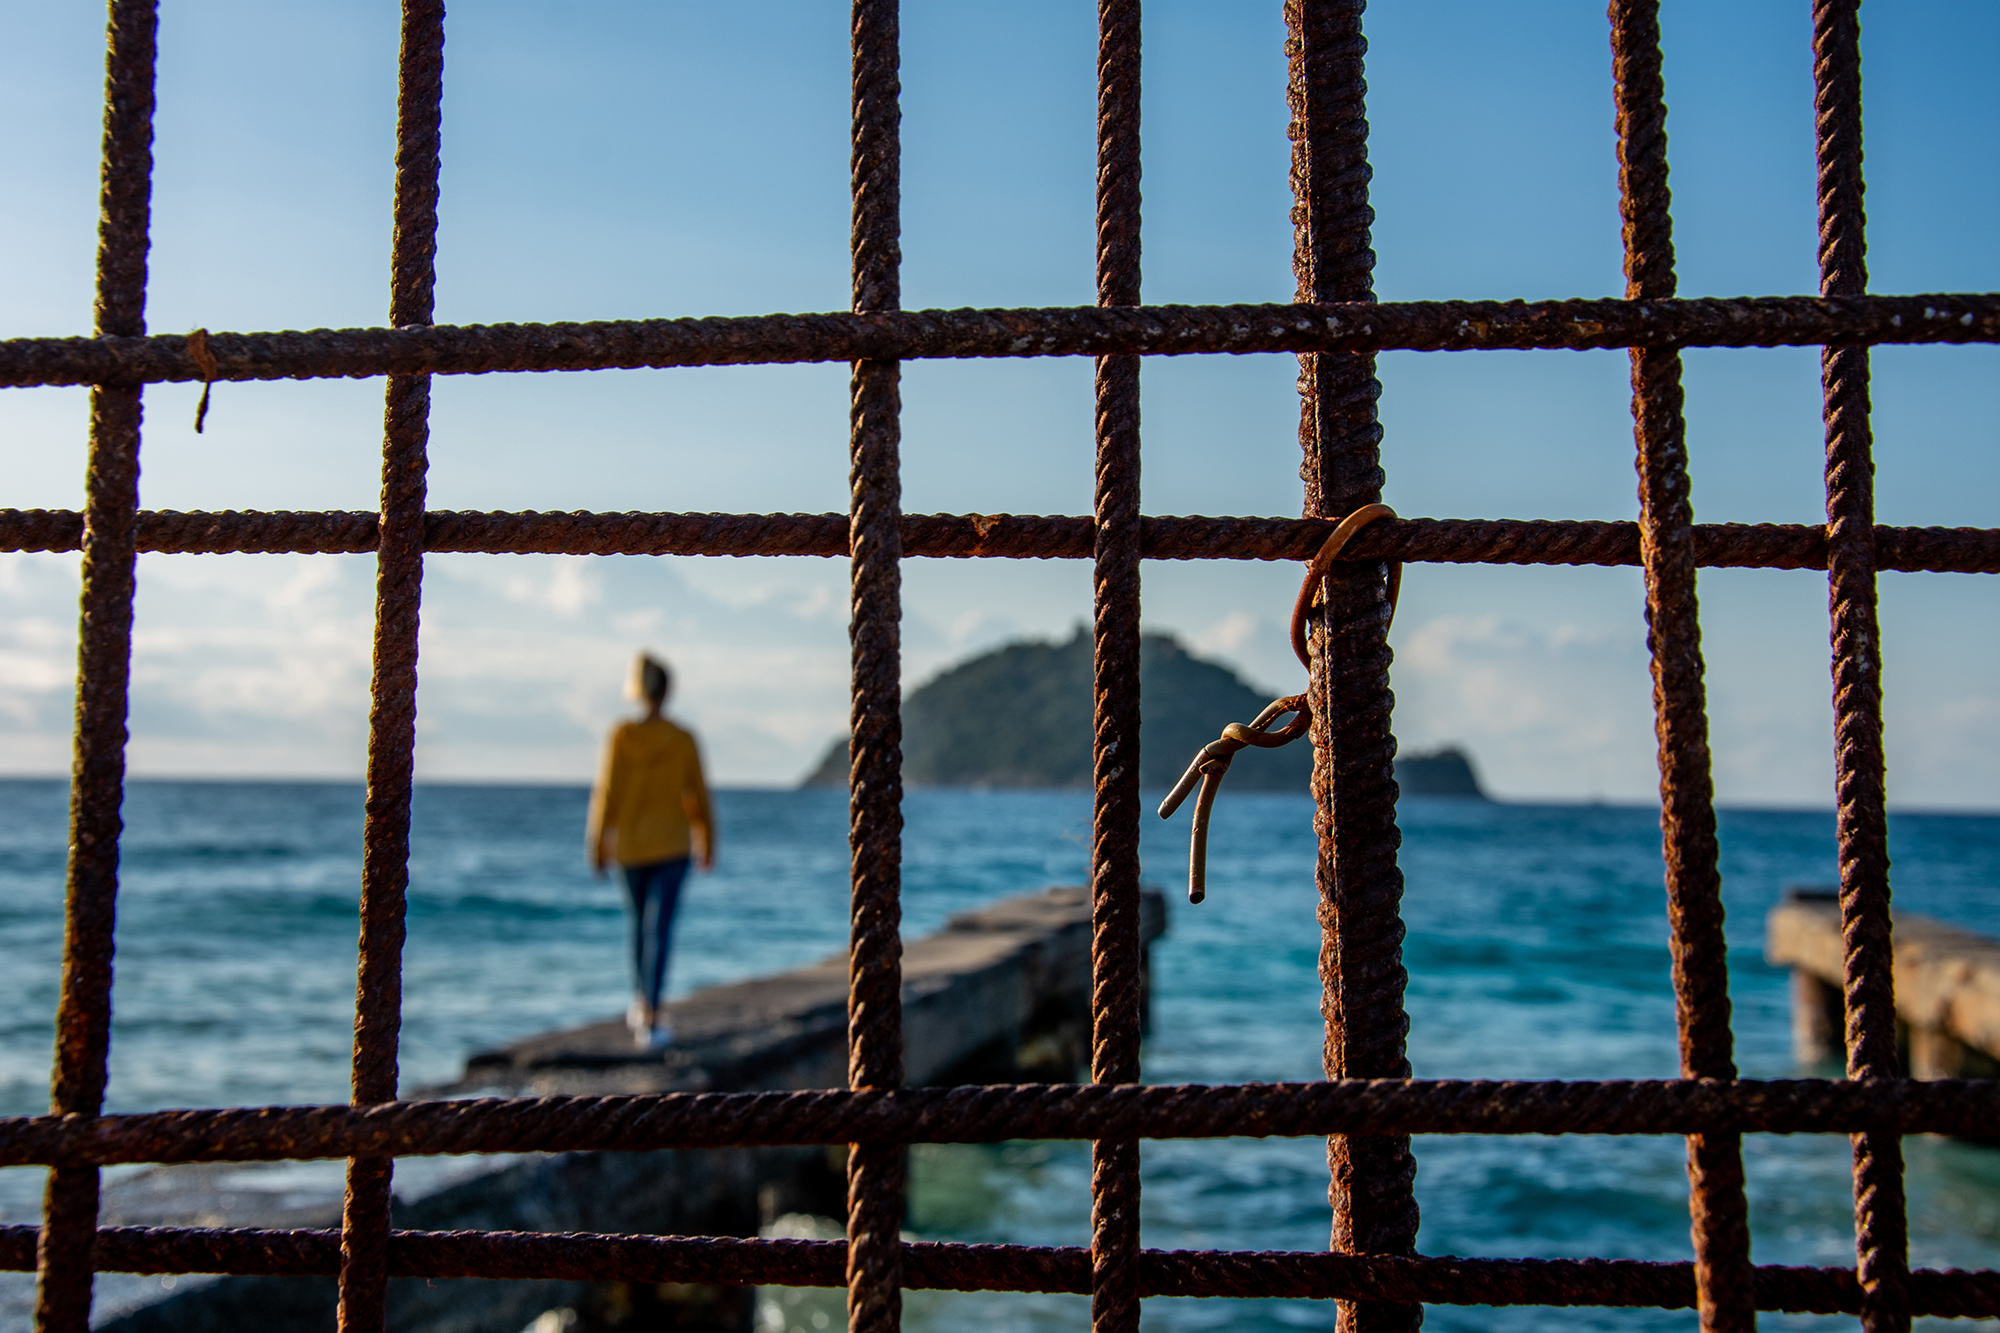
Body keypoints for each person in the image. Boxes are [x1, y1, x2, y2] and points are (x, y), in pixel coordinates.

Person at [586, 653, 715, 1051]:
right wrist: (707, 840)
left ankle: (642, 1003)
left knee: (640, 928)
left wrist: (597, 845)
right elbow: (697, 796)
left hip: (630, 848)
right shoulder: (682, 738)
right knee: (659, 931)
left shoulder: (621, 736)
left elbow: (607, 793)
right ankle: (652, 1013)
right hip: (673, 846)